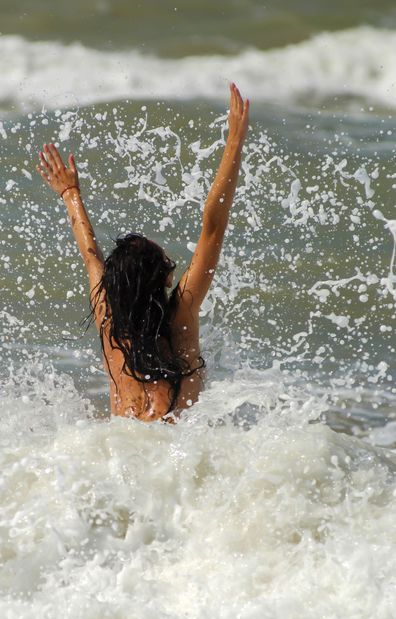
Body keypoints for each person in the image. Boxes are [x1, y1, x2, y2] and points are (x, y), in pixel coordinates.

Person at [36, 82, 249, 422]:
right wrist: (235, 143)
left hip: (120, 454)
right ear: (165, 279)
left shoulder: (107, 317)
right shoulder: (181, 316)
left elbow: (90, 254)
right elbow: (212, 228)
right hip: (176, 458)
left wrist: (70, 193)